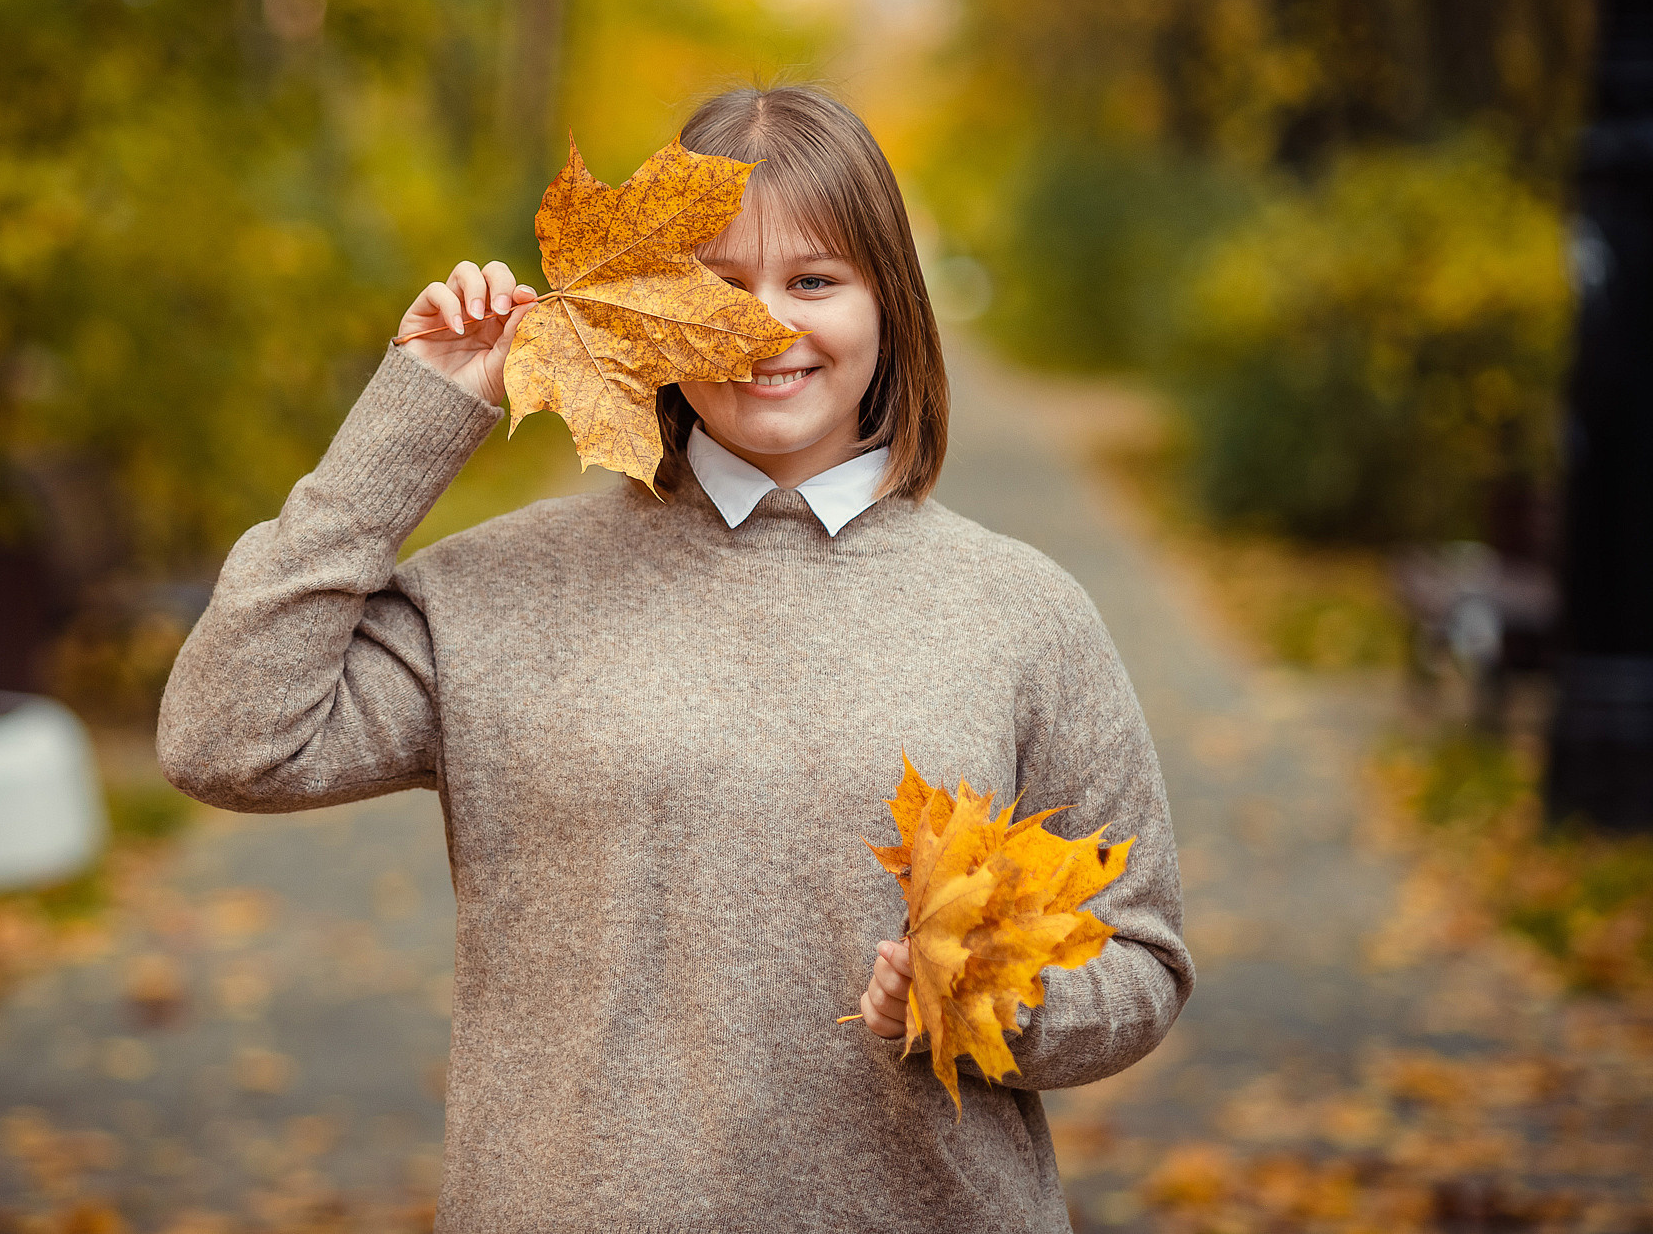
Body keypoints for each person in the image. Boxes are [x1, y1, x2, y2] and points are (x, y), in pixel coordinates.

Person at [158, 85, 1192, 1232]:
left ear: (889, 303)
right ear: (649, 309)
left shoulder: (1019, 611)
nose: (763, 326)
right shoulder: (504, 590)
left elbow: (1139, 955)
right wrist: (413, 417)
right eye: (716, 283)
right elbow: (225, 738)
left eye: (813, 280)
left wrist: (987, 1006)